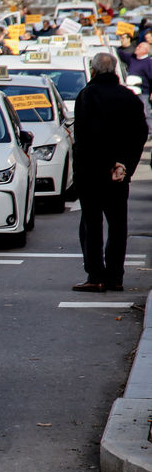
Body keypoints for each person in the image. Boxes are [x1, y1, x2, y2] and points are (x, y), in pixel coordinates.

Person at [72, 52, 149, 292]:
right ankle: (115, 277)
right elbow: (140, 134)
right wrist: (123, 164)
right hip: (119, 173)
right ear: (115, 70)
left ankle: (96, 275)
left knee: (91, 224)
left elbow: (85, 135)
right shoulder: (130, 98)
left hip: (91, 171)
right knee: (117, 226)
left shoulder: (87, 95)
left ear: (93, 71)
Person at [117, 37, 152, 122]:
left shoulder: (149, 63)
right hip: (130, 93)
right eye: (137, 46)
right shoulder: (132, 58)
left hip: (143, 93)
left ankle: (149, 129)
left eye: (139, 47)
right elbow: (120, 53)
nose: (137, 48)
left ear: (145, 50)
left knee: (145, 114)